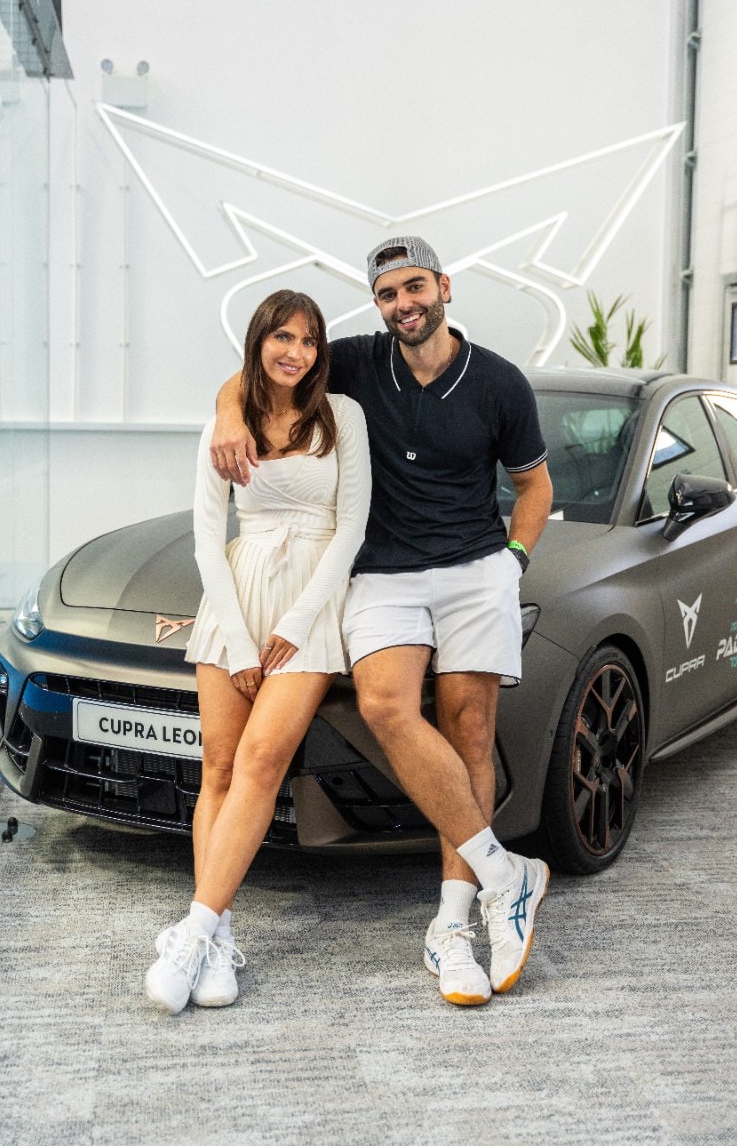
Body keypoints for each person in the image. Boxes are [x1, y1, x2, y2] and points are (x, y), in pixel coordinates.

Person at [212, 238, 553, 1007]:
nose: (403, 304)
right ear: (377, 306)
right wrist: (226, 409)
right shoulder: (359, 362)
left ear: (444, 286)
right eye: (388, 294)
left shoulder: (499, 382)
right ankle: (508, 874)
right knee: (384, 706)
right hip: (383, 573)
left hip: (475, 569)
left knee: (469, 730)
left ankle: (452, 923)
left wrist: (515, 558)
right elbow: (266, 371)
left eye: (414, 287)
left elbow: (534, 486)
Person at [145, 289, 370, 1014]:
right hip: (233, 601)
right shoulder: (226, 425)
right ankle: (217, 937)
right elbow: (209, 536)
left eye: (306, 340)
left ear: (318, 352)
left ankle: (191, 930)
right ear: (259, 340)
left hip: (310, 605)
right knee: (216, 765)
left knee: (262, 763)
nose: (293, 351)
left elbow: (352, 527)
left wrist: (301, 624)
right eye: (280, 336)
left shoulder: (345, 417)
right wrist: (238, 638)